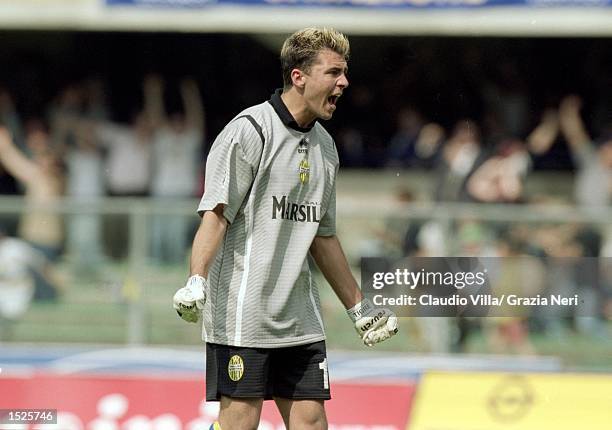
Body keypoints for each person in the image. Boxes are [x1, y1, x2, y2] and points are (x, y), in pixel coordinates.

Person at [172, 28, 398, 430]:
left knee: (311, 422)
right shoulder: (249, 131)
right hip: (243, 312)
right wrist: (196, 278)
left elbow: (322, 236)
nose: (344, 83)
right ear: (299, 77)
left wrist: (358, 307)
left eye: (345, 73)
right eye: (333, 73)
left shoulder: (326, 148)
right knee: (240, 422)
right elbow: (216, 214)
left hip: (299, 317)